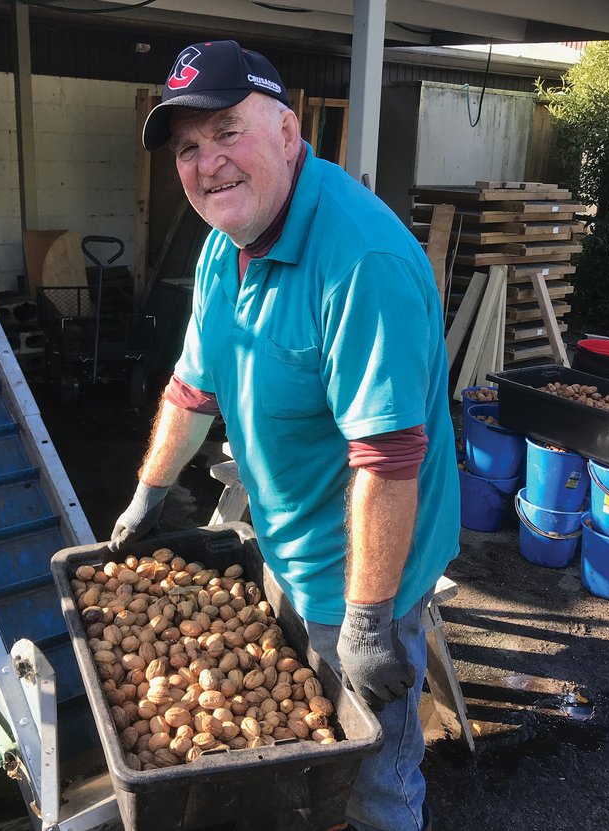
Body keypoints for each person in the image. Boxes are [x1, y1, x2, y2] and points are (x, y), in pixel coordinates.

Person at [110, 39, 460, 831]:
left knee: (378, 768)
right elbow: (192, 389)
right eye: (189, 147)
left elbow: (389, 456)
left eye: (227, 131)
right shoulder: (220, 250)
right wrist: (147, 497)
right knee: (311, 726)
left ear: (288, 131)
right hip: (287, 540)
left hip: (371, 567)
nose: (208, 163)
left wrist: (368, 621)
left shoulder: (360, 260)